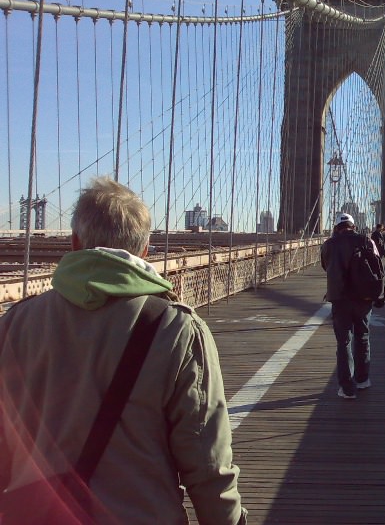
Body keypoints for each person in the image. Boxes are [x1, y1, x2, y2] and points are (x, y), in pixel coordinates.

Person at [0, 177, 246, 525]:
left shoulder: (15, 324)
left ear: (74, 243)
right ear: (145, 251)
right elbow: (208, 465)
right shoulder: (177, 330)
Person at [321, 213, 382, 399]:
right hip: (363, 298)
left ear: (336, 227)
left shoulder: (328, 244)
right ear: (353, 226)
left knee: (343, 342)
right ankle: (362, 380)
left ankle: (347, 388)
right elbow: (378, 264)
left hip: (340, 298)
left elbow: (326, 266)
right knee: (362, 336)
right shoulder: (366, 240)